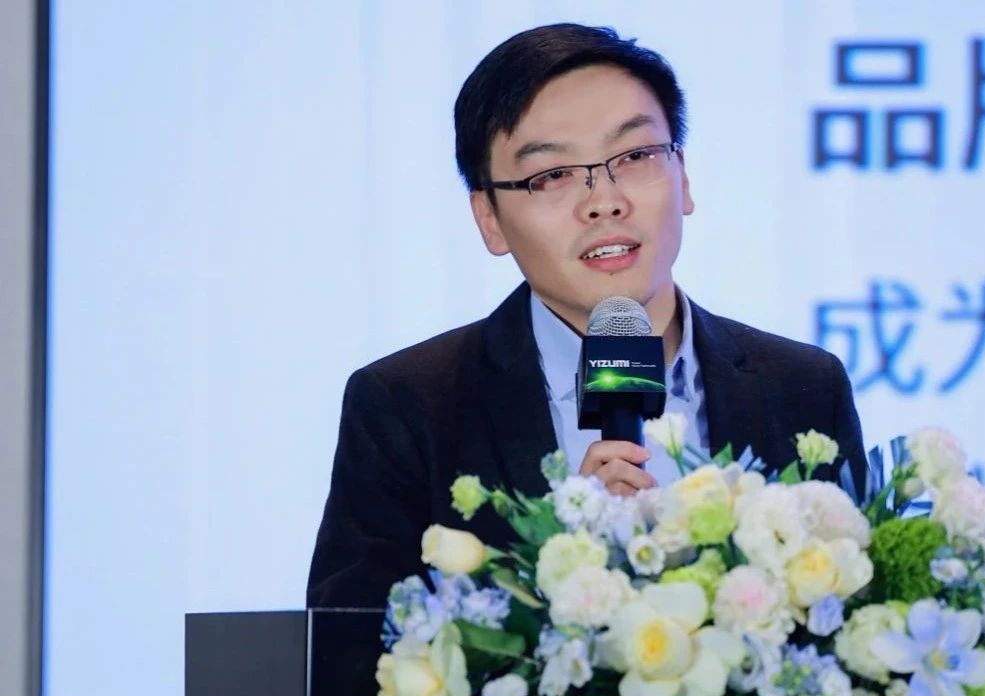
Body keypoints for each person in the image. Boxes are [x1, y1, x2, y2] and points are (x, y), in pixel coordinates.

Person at [307, 23, 868, 608]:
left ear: (683, 176)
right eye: (552, 175)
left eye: (636, 155)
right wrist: (555, 566)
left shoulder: (803, 387)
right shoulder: (407, 406)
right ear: (489, 219)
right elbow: (347, 649)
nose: (605, 201)